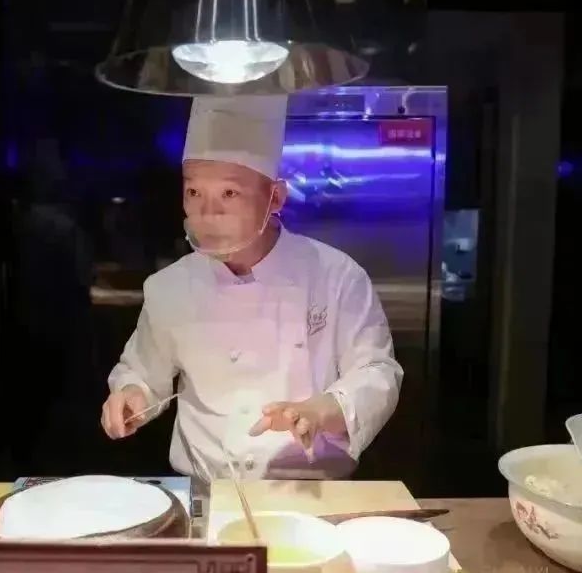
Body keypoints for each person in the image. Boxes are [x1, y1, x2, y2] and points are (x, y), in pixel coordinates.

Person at [101, 96, 402, 480]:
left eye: (229, 193)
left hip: (310, 492)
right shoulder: (168, 288)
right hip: (205, 492)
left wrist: (324, 409)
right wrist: (131, 395)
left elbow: (377, 372)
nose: (208, 213)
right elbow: (143, 372)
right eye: (194, 193)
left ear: (275, 197)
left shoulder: (337, 277)